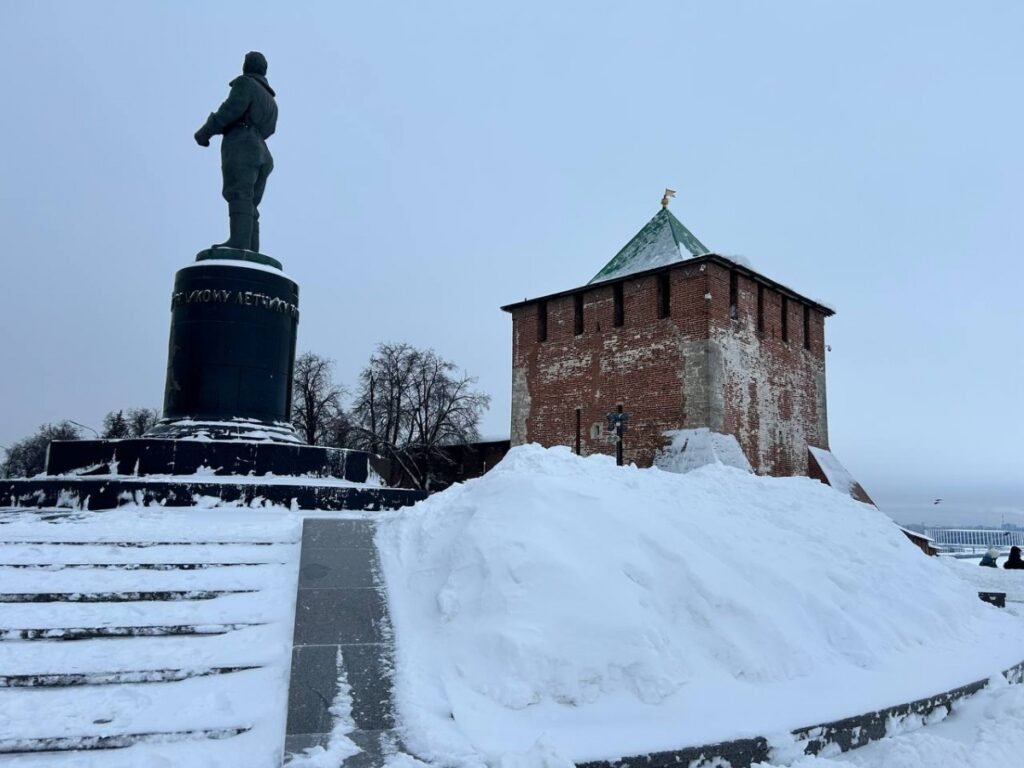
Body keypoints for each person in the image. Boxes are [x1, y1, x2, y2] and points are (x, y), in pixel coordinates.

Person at [194, 51, 278, 252]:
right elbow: (271, 129)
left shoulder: (245, 84)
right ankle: (250, 248)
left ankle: (239, 243)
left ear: (246, 66)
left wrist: (205, 132)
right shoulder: (272, 102)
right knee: (251, 202)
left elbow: (230, 110)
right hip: (262, 152)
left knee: (239, 194)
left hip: (243, 143)